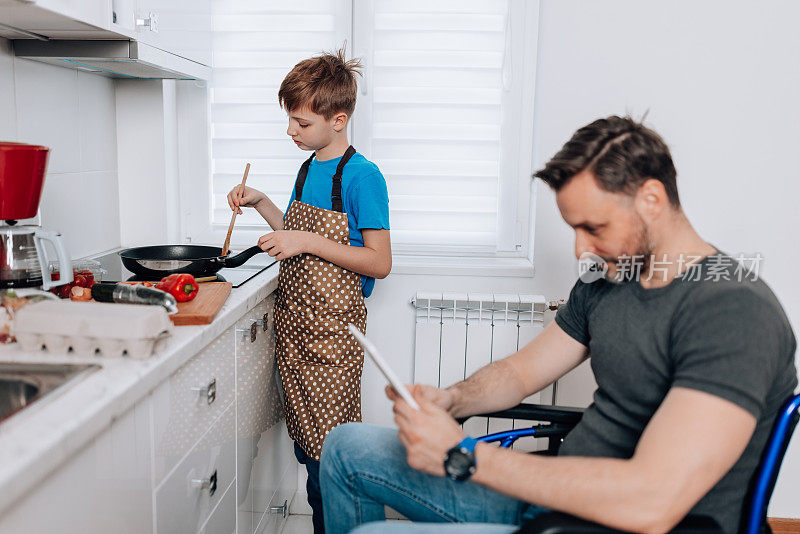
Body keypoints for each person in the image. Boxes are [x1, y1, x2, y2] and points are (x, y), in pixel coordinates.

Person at [318, 115, 797, 534]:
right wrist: (453, 400)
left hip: (607, 523)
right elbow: (522, 373)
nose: (579, 250)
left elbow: (652, 501)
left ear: (651, 199)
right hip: (552, 496)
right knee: (344, 446)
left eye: (594, 228)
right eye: (574, 229)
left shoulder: (732, 312)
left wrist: (462, 455)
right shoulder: (610, 281)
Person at [227, 47, 391, 534]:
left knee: (333, 463)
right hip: (296, 335)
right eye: (290, 121)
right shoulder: (308, 168)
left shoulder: (363, 177)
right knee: (306, 450)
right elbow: (297, 236)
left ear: (338, 119)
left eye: (300, 123)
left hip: (332, 342)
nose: (290, 132)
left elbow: (379, 262)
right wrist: (263, 203)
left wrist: (303, 239)